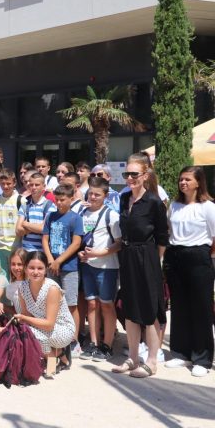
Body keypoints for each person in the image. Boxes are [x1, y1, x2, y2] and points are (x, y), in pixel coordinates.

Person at [111, 159, 168, 378]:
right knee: (130, 308)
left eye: (135, 174)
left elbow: (163, 236)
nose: (130, 178)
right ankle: (133, 357)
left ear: (145, 175)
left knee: (149, 309)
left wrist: (157, 261)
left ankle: (152, 361)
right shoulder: (124, 198)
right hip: (128, 256)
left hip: (148, 256)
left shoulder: (154, 202)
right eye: (127, 174)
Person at [164, 166, 215, 377]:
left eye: (187, 179)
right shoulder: (174, 206)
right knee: (179, 306)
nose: (183, 183)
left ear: (198, 183)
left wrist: (208, 259)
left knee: (201, 308)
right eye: (181, 179)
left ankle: (202, 358)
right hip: (175, 256)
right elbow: (169, 231)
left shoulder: (208, 207)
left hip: (199, 257)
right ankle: (181, 352)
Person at [10, 251, 76, 378]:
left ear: (46, 269)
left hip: (62, 329)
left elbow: (49, 324)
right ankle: (59, 355)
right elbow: (26, 316)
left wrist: (23, 318)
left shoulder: (52, 288)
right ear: (25, 268)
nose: (35, 272)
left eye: (40, 268)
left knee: (29, 331)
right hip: (42, 327)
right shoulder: (22, 287)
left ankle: (54, 355)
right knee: (23, 329)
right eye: (31, 268)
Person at [78, 176, 122, 362]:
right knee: (92, 304)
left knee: (106, 304)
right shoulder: (82, 213)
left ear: (105, 195)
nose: (93, 197)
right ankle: (94, 343)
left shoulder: (111, 215)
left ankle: (107, 345)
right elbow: (80, 239)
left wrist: (99, 253)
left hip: (107, 267)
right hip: (87, 266)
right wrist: (81, 252)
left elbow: (119, 244)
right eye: (91, 193)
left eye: (97, 194)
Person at [42, 183, 84, 356]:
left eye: (62, 200)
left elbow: (76, 242)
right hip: (52, 266)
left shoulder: (75, 218)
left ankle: (73, 341)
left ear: (71, 198)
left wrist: (59, 260)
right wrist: (52, 260)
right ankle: (55, 337)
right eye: (57, 200)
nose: (58, 203)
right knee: (52, 302)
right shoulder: (51, 216)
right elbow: (45, 239)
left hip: (69, 267)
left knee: (71, 304)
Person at [0, 168, 21, 278]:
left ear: (14, 183)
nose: (6, 186)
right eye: (3, 184)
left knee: (16, 275)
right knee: (2, 276)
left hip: (15, 245)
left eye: (9, 183)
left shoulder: (21, 200)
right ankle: (3, 296)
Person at [16, 173, 56, 252]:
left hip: (42, 251)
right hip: (26, 250)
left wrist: (26, 224)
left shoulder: (50, 206)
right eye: (31, 185)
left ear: (44, 186)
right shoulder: (25, 205)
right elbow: (18, 230)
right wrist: (36, 227)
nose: (33, 187)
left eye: (37, 185)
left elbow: (43, 228)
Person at [5, 248, 27, 315]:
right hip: (22, 322)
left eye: (20, 264)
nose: (16, 268)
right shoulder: (10, 286)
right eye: (13, 264)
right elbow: (16, 310)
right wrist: (0, 305)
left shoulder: (33, 284)